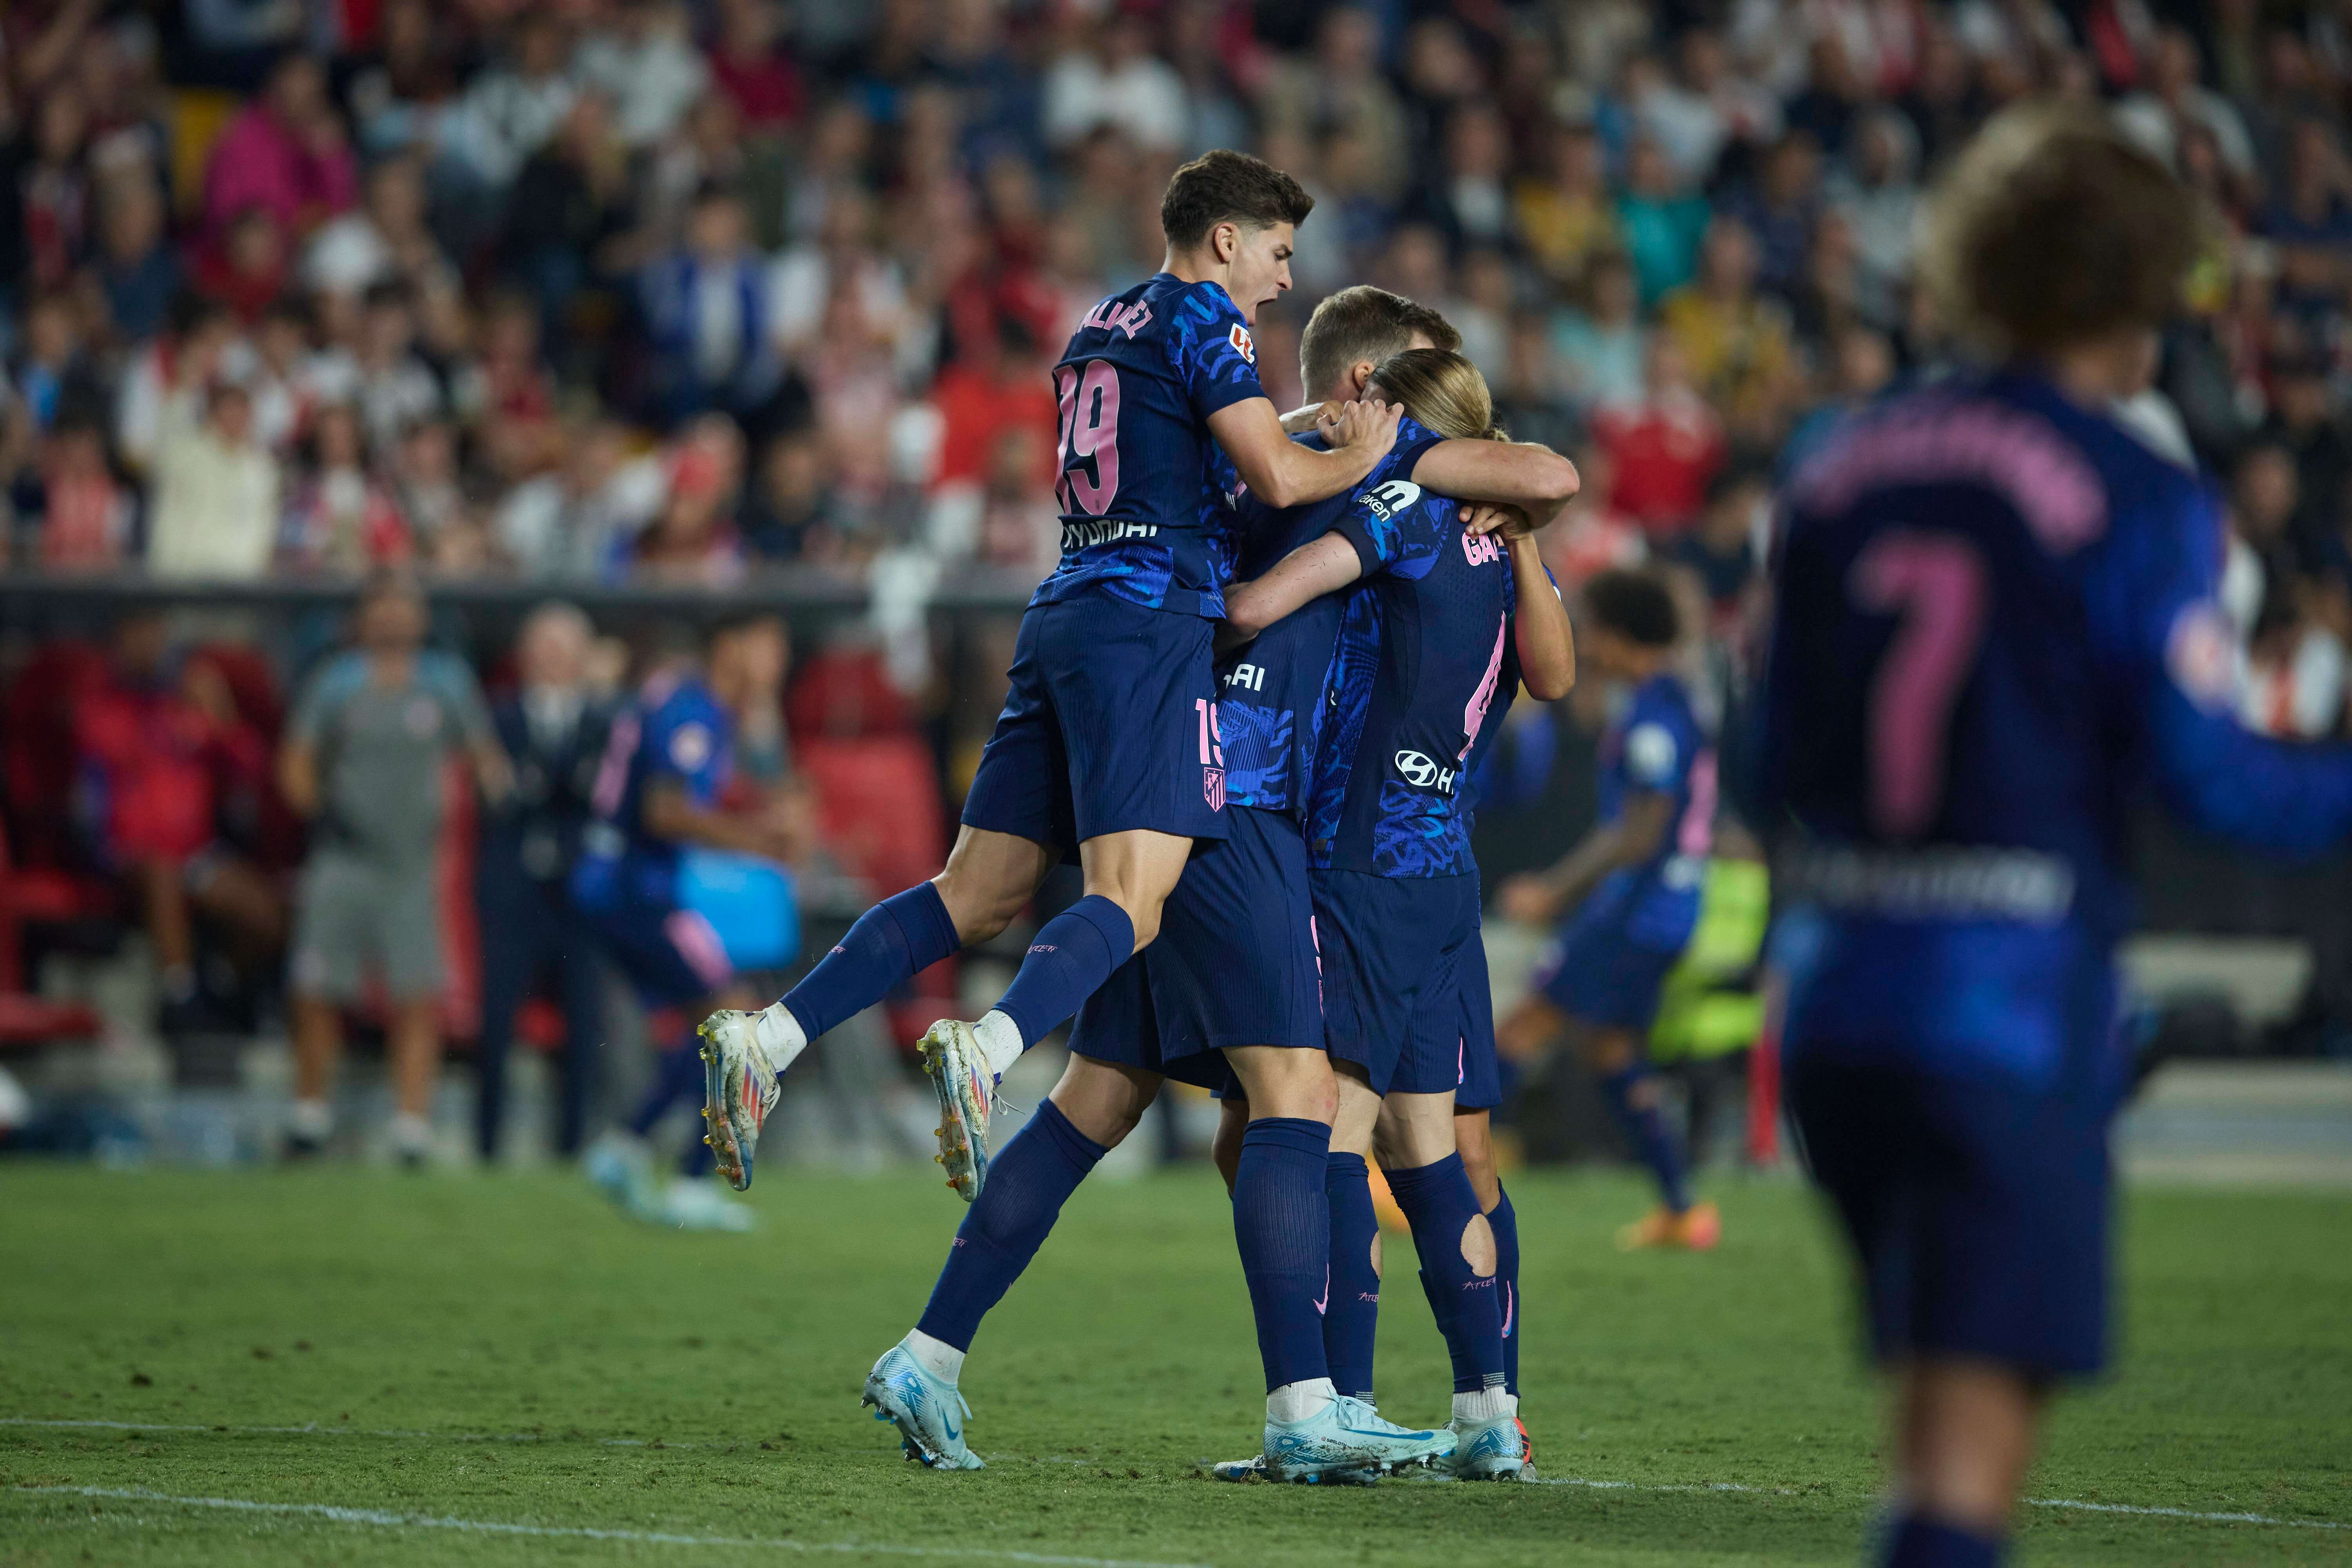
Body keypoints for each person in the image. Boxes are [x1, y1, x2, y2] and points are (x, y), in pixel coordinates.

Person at [843, 287, 1577, 1479]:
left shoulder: (1240, 460)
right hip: (1262, 815)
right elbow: (1536, 491)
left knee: (1102, 1098)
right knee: (1315, 1105)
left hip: (1174, 786)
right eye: (1410, 388)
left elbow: (1529, 498)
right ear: (1367, 390)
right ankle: (1325, 1406)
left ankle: (930, 1352)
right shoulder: (1365, 475)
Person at [1760, 105, 2352, 1568]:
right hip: (2007, 1009)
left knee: (1928, 1434)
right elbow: (2211, 781)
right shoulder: (2141, 492)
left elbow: (1771, 755)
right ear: (2145, 288)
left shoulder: (1841, 461)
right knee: (1966, 1473)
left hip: (1838, 1001)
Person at [696, 151, 1404, 1203]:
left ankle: (773, 1035)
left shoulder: (1102, 323)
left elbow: (1196, 448)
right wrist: (1371, 452)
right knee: (1136, 898)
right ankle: (988, 1048)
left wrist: (1303, 425)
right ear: (1226, 240)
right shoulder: (1211, 320)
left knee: (977, 892)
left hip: (1066, 608)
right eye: (1278, 249)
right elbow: (1274, 475)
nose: (1286, 276)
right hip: (1149, 624)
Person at [1208, 346, 1577, 1481]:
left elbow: (1263, 600)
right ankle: (1489, 1414)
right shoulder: (1507, 547)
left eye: (1368, 406)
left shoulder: (1405, 510)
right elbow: (1558, 677)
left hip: (1364, 859)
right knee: (1429, 1146)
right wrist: (1526, 535)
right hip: (1444, 870)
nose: (1350, 418)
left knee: (1324, 1127)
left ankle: (1336, 1409)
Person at [1497, 568, 1720, 1250]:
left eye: (1593, 630)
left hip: (1638, 910)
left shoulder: (1653, 717)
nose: (1586, 643)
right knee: (1612, 1050)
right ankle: (1683, 1210)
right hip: (1671, 909)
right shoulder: (1676, 700)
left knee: (1520, 1031)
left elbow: (1638, 834)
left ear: (1622, 636)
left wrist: (1554, 891)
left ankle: (1436, 1186)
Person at [573, 614, 797, 1230]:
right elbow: (664, 812)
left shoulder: (699, 708)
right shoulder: (695, 711)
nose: (776, 663)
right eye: (767, 646)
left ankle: (630, 1146)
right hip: (632, 889)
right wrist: (756, 841)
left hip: (625, 886)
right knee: (737, 1020)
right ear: (730, 647)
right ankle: (684, 1179)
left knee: (722, 1020)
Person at [279, 573, 510, 1164]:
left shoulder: (445, 681)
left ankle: (412, 1125)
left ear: (422, 618)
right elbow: (298, 759)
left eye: (403, 607)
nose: (392, 618)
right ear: (362, 617)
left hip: (412, 864)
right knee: (317, 986)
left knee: (417, 991)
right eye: (381, 607)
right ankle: (309, 1115)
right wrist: (320, 809)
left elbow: (483, 757)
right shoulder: (338, 681)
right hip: (344, 856)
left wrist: (493, 797)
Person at [474, 603, 614, 1164]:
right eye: (543, 648)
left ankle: (573, 1146)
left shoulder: (605, 721)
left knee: (585, 1022)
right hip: (514, 889)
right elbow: (498, 795)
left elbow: (598, 798)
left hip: (579, 892)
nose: (552, 661)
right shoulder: (499, 717)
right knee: (496, 1018)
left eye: (563, 649)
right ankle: (488, 1144)